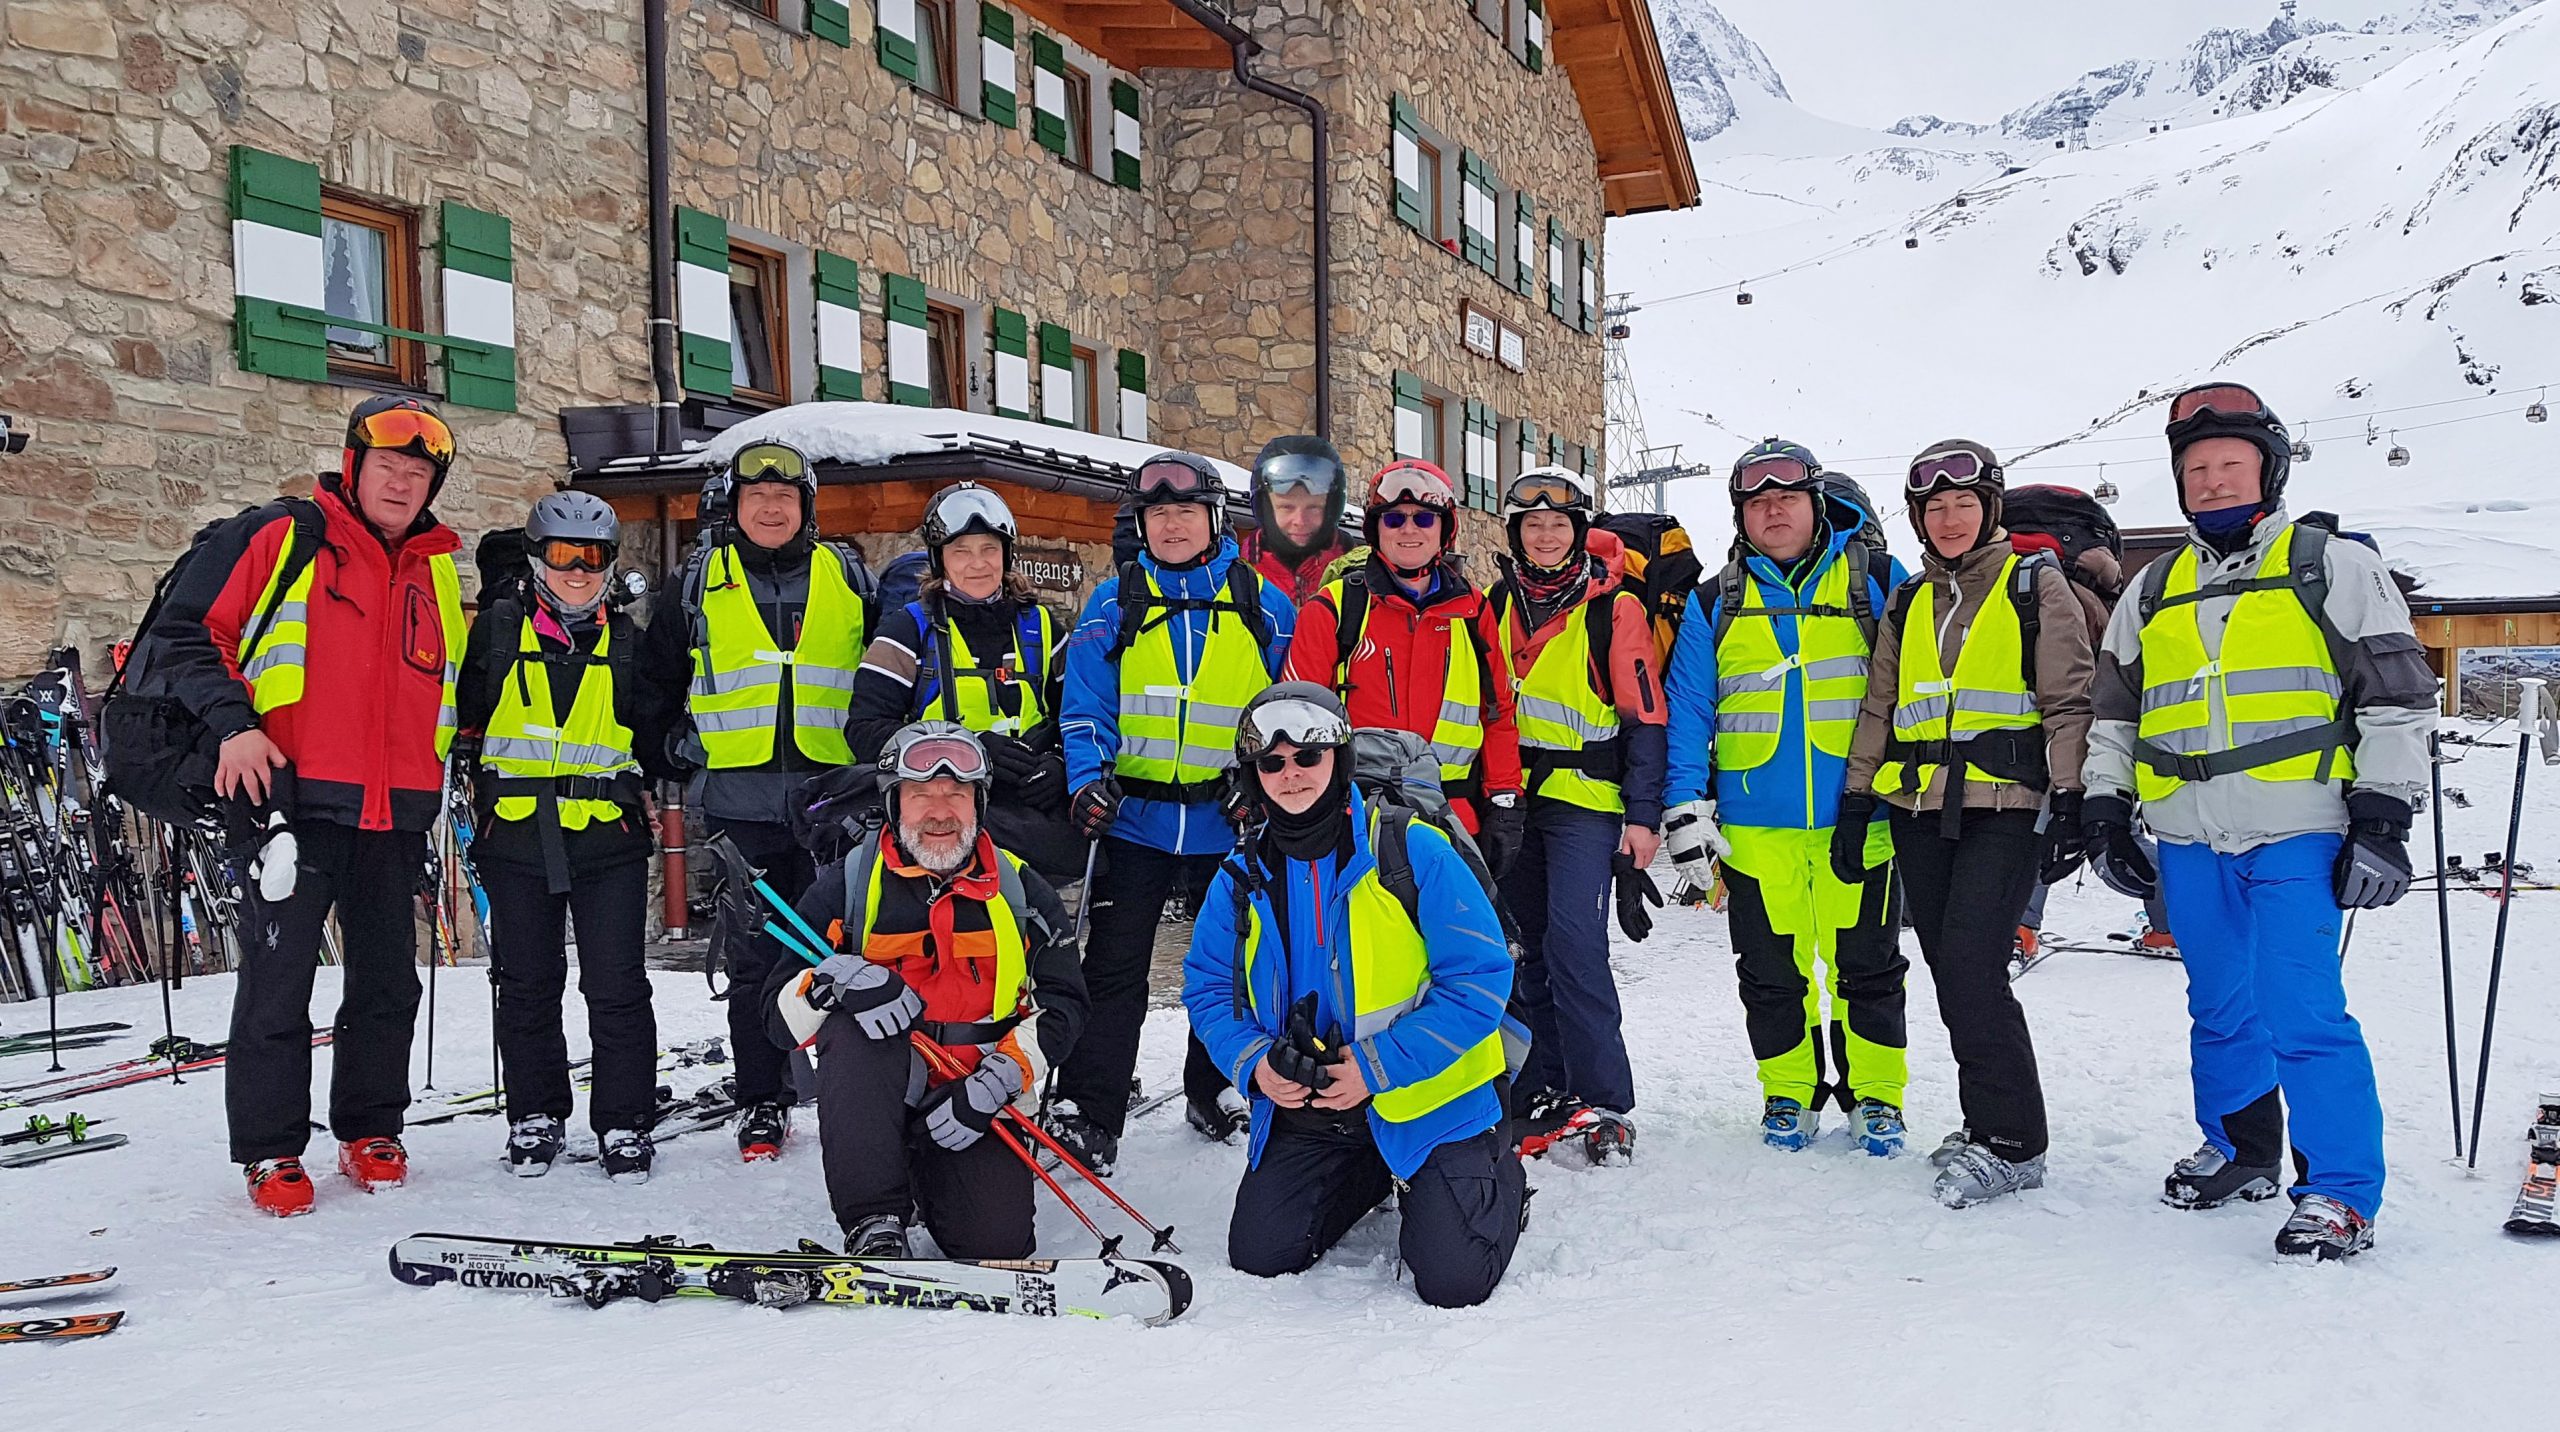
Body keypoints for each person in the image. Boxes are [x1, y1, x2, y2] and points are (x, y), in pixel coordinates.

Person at [2081, 382, 2433, 1260]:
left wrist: (2383, 817)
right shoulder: (2153, 586)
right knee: (2219, 1006)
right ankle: (2242, 1152)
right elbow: (2114, 714)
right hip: (2189, 835)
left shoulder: (2332, 565)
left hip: (2298, 827)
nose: (2212, 480)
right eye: (2196, 468)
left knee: (2302, 1010)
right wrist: (2105, 807)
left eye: (2230, 464)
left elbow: (2396, 697)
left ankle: (2340, 1191)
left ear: (2268, 471)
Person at [146, 395, 467, 1215]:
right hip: (285, 800)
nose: (402, 482)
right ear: (354, 466)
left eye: (418, 472)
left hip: (395, 811)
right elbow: (189, 633)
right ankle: (271, 1149)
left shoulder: (435, 567)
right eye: (388, 465)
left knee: (389, 983)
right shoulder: (283, 536)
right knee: (279, 982)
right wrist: (234, 726)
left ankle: (371, 1127)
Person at [1183, 684, 1524, 1307]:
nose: (1291, 774)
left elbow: (1479, 977)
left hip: (1428, 1098)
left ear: (1338, 759)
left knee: (1452, 1282)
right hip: (1317, 1107)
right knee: (1261, 1255)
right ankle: (1374, 1169)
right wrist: (1254, 1062)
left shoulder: (1412, 849)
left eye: (1308, 757)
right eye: (1272, 763)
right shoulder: (1240, 874)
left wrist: (1376, 1067)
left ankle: (1495, 1172)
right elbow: (1207, 987)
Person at [1843, 441, 2093, 1205]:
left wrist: (2072, 797)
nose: (1949, 519)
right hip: (1920, 807)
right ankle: (1986, 1122)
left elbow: (2070, 698)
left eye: (1964, 504)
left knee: (1976, 971)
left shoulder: (2033, 585)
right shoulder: (1909, 600)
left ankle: (2015, 1143)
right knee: (1950, 971)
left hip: (2007, 807)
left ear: (1990, 509)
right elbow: (1880, 705)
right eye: (1935, 508)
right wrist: (1856, 798)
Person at [1661, 440, 1913, 1157]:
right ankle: (1788, 1093)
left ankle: (1877, 1096)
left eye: (1788, 498)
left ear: (1816, 504)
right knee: (1771, 976)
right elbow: (1690, 708)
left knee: (1869, 970)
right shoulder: (1716, 600)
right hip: (1754, 828)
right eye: (1758, 502)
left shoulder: (1878, 581)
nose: (1774, 511)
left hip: (1859, 822)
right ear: (1741, 515)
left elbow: (1914, 686)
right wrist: (1685, 805)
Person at [1049, 451, 1298, 1167]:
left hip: (1229, 818)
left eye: (1186, 511)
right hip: (1136, 818)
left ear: (1215, 518)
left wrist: (1260, 779)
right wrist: (1087, 780)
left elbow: (1287, 706)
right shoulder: (1114, 601)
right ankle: (1092, 1109)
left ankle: (1213, 1086)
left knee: (1231, 963)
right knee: (1114, 967)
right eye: (1158, 513)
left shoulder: (1264, 604)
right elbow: (1085, 706)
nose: (1172, 525)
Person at [763, 723, 1089, 1255]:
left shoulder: (1022, 891)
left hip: (974, 1089)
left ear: (979, 803)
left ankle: (925, 1174)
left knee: (997, 1243)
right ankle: (874, 1217)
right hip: (880, 1086)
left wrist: (1003, 1078)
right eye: (921, 795)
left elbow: (1065, 1005)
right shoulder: (847, 885)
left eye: (957, 794)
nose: (940, 813)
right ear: (894, 803)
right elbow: (776, 1021)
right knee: (853, 1032)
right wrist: (829, 985)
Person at [633, 439, 872, 1163]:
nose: (771, 508)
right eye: (757, 497)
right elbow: (656, 680)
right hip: (741, 808)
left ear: (806, 508)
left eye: (785, 497)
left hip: (833, 806)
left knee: (845, 955)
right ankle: (762, 1099)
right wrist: (668, 755)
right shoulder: (698, 581)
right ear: (734, 507)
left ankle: (853, 1089)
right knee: (755, 960)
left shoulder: (850, 578)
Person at [454, 491, 670, 1182]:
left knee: (617, 985)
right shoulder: (496, 635)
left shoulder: (628, 644)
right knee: (526, 982)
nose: (577, 571)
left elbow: (654, 736)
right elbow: (459, 715)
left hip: (608, 835)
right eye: (561, 555)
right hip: (516, 834)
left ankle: (625, 1121)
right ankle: (535, 1115)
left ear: (609, 564)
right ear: (535, 559)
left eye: (593, 557)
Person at [1488, 465, 1665, 1164]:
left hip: (1585, 801)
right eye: (1532, 524)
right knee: (1521, 947)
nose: (1545, 535)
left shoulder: (1612, 609)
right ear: (1515, 533)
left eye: (1558, 524)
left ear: (1578, 531)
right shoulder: (1494, 603)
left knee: (1575, 946)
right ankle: (1540, 1082)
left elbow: (1645, 718)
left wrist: (1643, 816)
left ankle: (1605, 1097)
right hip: (1511, 799)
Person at [1283, 459, 1525, 872]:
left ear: (1444, 530)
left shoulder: (1472, 611)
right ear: (1375, 529)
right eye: (1393, 519)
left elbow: (1498, 713)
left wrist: (1504, 800)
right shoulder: (1336, 609)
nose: (1408, 530)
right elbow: (1296, 719)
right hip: (1359, 818)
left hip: (1453, 817)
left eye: (1424, 519)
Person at [842, 482, 1079, 880]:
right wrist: (969, 749)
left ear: (1007, 554)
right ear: (940, 560)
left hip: (1032, 822)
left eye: (989, 549)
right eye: (961, 552)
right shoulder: (908, 631)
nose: (978, 564)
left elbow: (1078, 717)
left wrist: (1060, 764)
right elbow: (865, 731)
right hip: (946, 822)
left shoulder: (1041, 627)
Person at [1237, 435, 1354, 605]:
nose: (1300, 521)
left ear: (1331, 507)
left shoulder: (1360, 574)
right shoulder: (1234, 574)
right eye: (1286, 507)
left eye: (1313, 508)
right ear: (1266, 507)